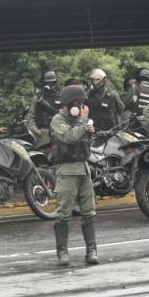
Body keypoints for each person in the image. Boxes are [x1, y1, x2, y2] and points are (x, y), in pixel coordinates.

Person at [50, 85, 98, 266]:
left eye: (82, 103)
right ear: (68, 104)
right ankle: (62, 252)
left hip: (84, 170)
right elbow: (69, 137)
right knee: (63, 213)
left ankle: (92, 250)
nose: (80, 106)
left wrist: (89, 131)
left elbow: (84, 143)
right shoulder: (58, 120)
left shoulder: (81, 120)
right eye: (77, 103)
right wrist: (84, 123)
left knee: (89, 211)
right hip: (67, 171)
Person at [27, 70, 61, 147]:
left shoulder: (60, 96)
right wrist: (36, 131)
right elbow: (30, 117)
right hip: (43, 132)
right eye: (47, 83)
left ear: (55, 83)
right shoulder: (38, 97)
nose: (50, 85)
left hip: (58, 132)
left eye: (52, 83)